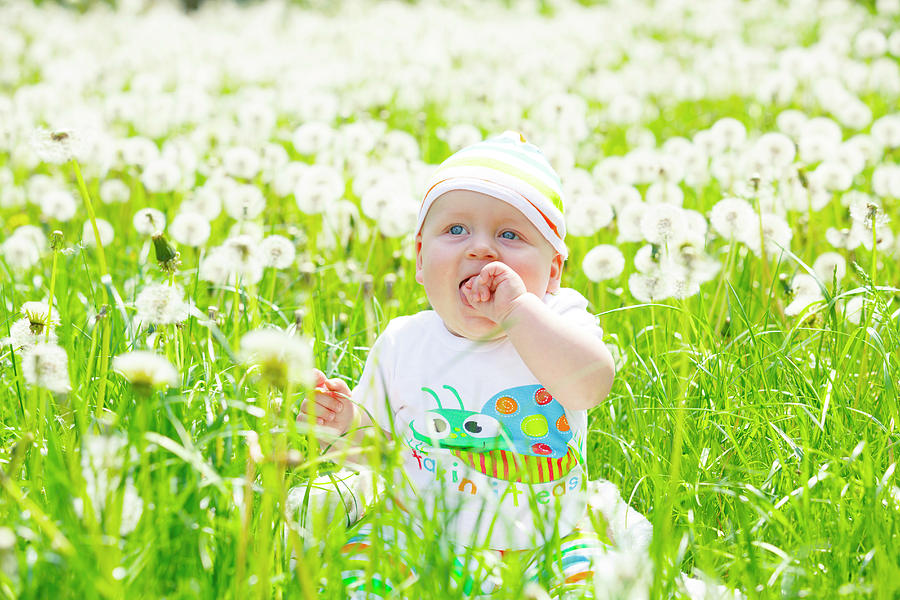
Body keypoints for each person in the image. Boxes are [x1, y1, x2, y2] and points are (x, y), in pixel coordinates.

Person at [302, 131, 617, 598]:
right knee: (356, 573)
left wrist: (517, 312)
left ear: (552, 273)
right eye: (456, 230)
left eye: (510, 235)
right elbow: (381, 453)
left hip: (549, 540)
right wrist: (344, 422)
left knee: (598, 586)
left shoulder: (559, 319)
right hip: (418, 533)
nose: (481, 249)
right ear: (419, 258)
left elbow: (589, 387)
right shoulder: (404, 342)